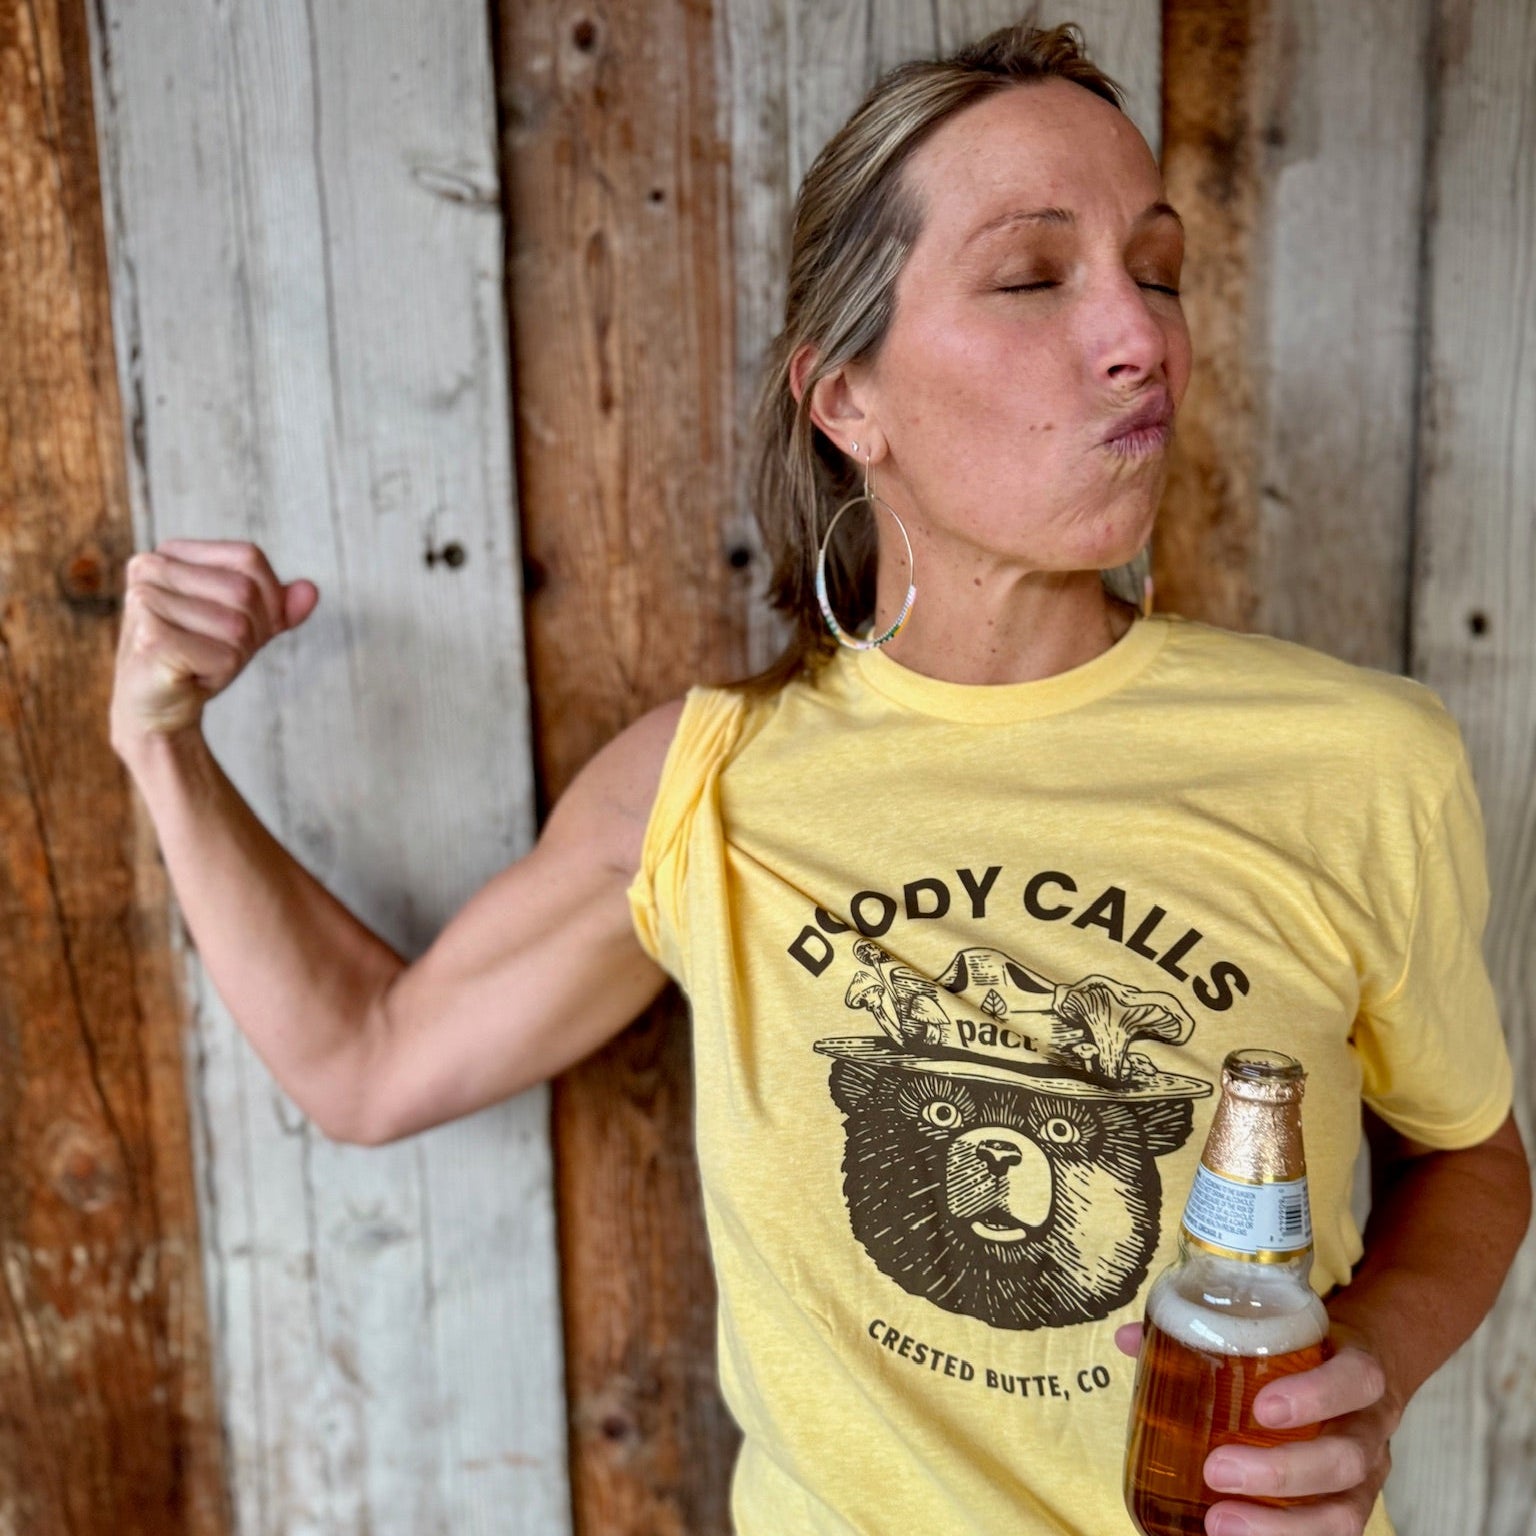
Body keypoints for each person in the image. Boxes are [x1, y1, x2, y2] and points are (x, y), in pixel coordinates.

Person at [109, 19, 1528, 1536]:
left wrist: (1359, 1376)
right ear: (847, 399)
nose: (1142, 336)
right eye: (1036, 277)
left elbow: (1470, 1156)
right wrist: (161, 743)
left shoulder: (1359, 760)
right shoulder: (711, 785)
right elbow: (370, 1061)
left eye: (1159, 268)